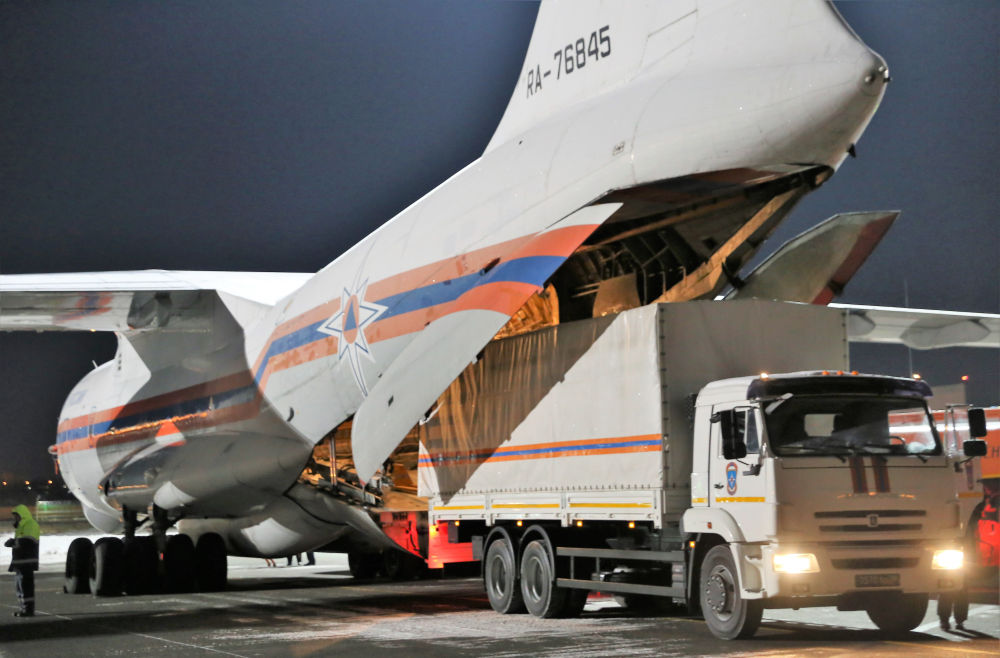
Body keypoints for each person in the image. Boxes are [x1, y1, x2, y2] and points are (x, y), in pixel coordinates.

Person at [5, 504, 40, 617]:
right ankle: (24, 609)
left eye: (16, 516)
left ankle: (28, 610)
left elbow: (29, 541)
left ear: (22, 515)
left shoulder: (30, 524)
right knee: (20, 587)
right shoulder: (21, 526)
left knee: (26, 587)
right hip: (20, 563)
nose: (15, 518)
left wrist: (13, 542)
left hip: (27, 562)